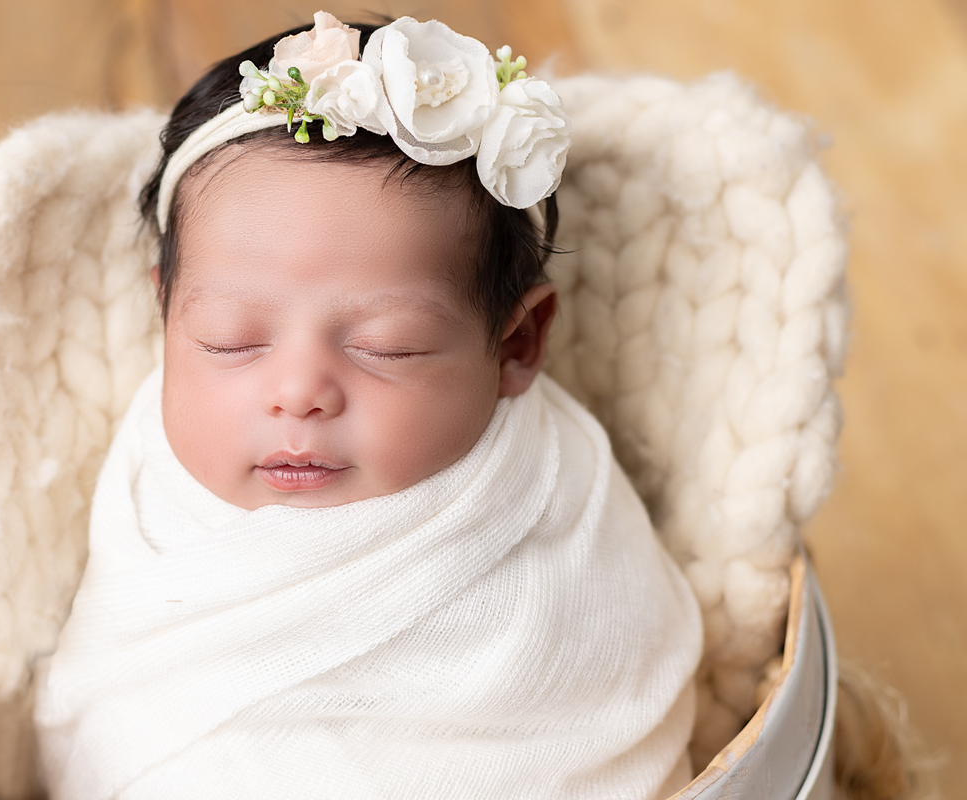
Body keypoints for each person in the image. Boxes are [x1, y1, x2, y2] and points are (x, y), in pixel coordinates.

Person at [34, 13, 703, 800]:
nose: (298, 393)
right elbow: (110, 703)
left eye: (386, 347)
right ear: (166, 319)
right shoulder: (150, 488)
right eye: (229, 340)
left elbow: (601, 720)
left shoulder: (557, 507)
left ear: (518, 344)